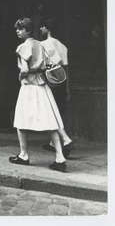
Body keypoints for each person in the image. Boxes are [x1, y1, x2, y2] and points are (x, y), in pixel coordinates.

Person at [9, 17, 67, 172]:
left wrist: (21, 76)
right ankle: (60, 158)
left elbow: (25, 70)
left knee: (21, 122)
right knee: (50, 123)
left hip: (29, 87)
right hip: (42, 86)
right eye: (17, 28)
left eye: (20, 29)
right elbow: (50, 63)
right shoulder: (40, 45)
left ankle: (24, 155)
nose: (18, 31)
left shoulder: (22, 47)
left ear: (28, 30)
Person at [39, 18, 75, 157]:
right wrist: (67, 87)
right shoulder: (62, 45)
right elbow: (66, 68)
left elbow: (43, 65)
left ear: (48, 29)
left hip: (49, 81)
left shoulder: (44, 44)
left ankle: (62, 141)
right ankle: (53, 142)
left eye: (42, 27)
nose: (41, 29)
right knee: (58, 111)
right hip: (61, 80)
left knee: (50, 111)